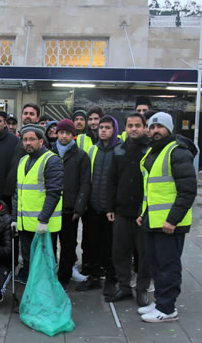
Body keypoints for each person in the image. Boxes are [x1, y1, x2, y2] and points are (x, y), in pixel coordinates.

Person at [137, 112, 197, 323]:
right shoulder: (152, 153)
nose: (155, 131)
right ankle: (160, 301)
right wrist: (142, 214)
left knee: (168, 266)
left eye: (159, 127)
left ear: (169, 129)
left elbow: (187, 191)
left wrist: (173, 220)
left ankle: (167, 308)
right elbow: (151, 191)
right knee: (156, 265)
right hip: (153, 221)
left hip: (169, 224)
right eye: (152, 127)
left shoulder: (177, 152)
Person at [105, 113, 151, 306]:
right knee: (120, 251)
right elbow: (112, 179)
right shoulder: (119, 150)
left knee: (144, 254)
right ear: (125, 128)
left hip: (143, 212)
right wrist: (110, 207)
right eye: (130, 125)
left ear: (144, 128)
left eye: (137, 125)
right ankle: (124, 287)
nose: (133, 129)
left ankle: (141, 290)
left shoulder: (151, 149)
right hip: (122, 211)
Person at [12, 124, 63, 284]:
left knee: (44, 261)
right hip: (25, 223)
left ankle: (46, 290)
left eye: (32, 139)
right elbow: (18, 192)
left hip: (43, 225)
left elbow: (54, 193)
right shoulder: (23, 161)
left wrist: (43, 219)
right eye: (25, 140)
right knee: (28, 257)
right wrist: (15, 218)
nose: (28, 143)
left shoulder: (51, 160)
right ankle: (30, 283)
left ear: (41, 141)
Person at [77, 115, 121, 294]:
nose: (103, 130)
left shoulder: (121, 150)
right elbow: (87, 179)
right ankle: (94, 276)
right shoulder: (93, 150)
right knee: (92, 243)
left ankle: (111, 277)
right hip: (93, 206)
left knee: (111, 244)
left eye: (107, 127)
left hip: (112, 209)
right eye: (101, 127)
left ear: (114, 130)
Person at [50, 119, 91, 289]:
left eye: (67, 133)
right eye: (61, 132)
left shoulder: (81, 156)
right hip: (51, 209)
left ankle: (63, 278)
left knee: (68, 245)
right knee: (50, 245)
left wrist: (79, 207)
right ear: (56, 133)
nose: (64, 136)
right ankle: (50, 276)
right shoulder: (48, 153)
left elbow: (85, 184)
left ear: (73, 135)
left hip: (69, 209)